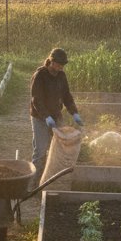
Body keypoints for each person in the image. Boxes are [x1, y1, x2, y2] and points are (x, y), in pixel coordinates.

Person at [29, 48, 82, 181]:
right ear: (51, 62)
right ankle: (33, 184)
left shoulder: (61, 76)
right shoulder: (40, 75)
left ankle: (51, 180)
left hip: (56, 116)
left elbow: (66, 96)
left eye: (62, 65)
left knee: (61, 149)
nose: (60, 67)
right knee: (40, 151)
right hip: (40, 117)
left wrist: (74, 112)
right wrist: (46, 116)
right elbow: (36, 99)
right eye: (58, 64)